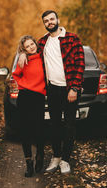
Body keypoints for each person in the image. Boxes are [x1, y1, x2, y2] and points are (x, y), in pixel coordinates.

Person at [18, 10, 85, 174]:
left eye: (52, 19)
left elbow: (80, 65)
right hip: (53, 90)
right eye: (46, 21)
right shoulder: (42, 42)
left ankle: (65, 160)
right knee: (55, 125)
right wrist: (20, 54)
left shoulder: (72, 38)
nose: (49, 22)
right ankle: (56, 156)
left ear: (58, 20)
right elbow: (30, 49)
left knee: (69, 125)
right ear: (44, 24)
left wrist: (74, 88)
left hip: (70, 89)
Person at [12, 35, 46, 177]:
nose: (31, 47)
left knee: (39, 129)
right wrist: (23, 85)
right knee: (25, 131)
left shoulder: (43, 58)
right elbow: (15, 75)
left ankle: (40, 154)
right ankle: (29, 163)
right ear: (24, 49)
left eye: (32, 44)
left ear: (35, 44)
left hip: (38, 97)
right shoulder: (23, 60)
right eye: (27, 46)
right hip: (25, 97)